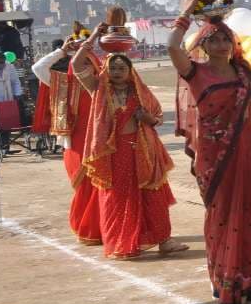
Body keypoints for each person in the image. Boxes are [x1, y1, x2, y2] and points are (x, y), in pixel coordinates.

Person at [170, 0, 251, 304]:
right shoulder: (195, 72)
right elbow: (172, 47)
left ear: (233, 42)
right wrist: (186, 14)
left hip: (248, 149)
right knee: (221, 217)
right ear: (203, 45)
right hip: (215, 154)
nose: (221, 44)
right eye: (213, 39)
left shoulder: (243, 72)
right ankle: (226, 281)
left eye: (225, 38)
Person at [70, 28, 185, 260]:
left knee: (153, 196)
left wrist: (147, 118)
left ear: (130, 71)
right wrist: (92, 38)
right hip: (115, 152)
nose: (117, 72)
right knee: (118, 199)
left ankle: (165, 241)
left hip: (145, 150)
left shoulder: (140, 92)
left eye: (122, 68)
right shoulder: (99, 89)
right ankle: (121, 244)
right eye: (112, 68)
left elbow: (156, 119)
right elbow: (76, 63)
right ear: (106, 70)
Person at [32, 35, 103, 244]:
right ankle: (86, 228)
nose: (85, 67)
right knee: (84, 188)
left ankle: (101, 229)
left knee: (101, 185)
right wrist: (61, 51)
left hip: (100, 141)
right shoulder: (64, 83)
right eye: (81, 63)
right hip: (75, 145)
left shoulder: (101, 84)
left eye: (88, 63)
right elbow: (38, 68)